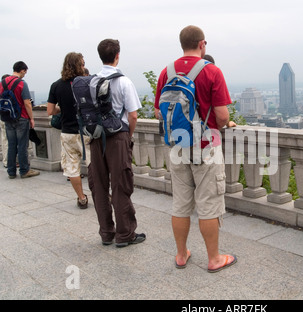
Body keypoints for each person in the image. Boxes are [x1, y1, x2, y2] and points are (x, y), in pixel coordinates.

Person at [154, 25, 237, 272]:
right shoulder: (212, 71)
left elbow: (159, 111)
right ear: (202, 44)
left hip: (177, 147)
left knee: (180, 203)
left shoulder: (165, 72)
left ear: (182, 44)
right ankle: (214, 259)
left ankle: (181, 255)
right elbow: (222, 117)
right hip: (205, 146)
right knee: (208, 203)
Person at [88, 39, 145, 248]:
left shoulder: (91, 82)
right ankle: (125, 234)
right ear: (117, 55)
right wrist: (127, 137)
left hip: (96, 138)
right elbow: (133, 116)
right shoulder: (123, 82)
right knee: (121, 185)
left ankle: (106, 233)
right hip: (118, 137)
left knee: (99, 186)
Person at [47, 52, 90, 209]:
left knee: (72, 168)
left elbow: (50, 111)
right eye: (83, 63)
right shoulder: (87, 83)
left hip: (68, 132)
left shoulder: (56, 85)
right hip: (87, 132)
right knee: (94, 166)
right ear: (78, 65)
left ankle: (81, 198)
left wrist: (62, 109)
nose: (84, 66)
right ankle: (101, 196)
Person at [0, 62, 40, 179]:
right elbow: (27, 103)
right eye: (25, 72)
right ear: (22, 70)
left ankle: (11, 171)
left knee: (11, 145)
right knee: (22, 145)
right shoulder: (22, 83)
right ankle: (24, 170)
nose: (25, 74)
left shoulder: (2, 83)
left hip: (8, 117)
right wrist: (31, 118)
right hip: (21, 117)